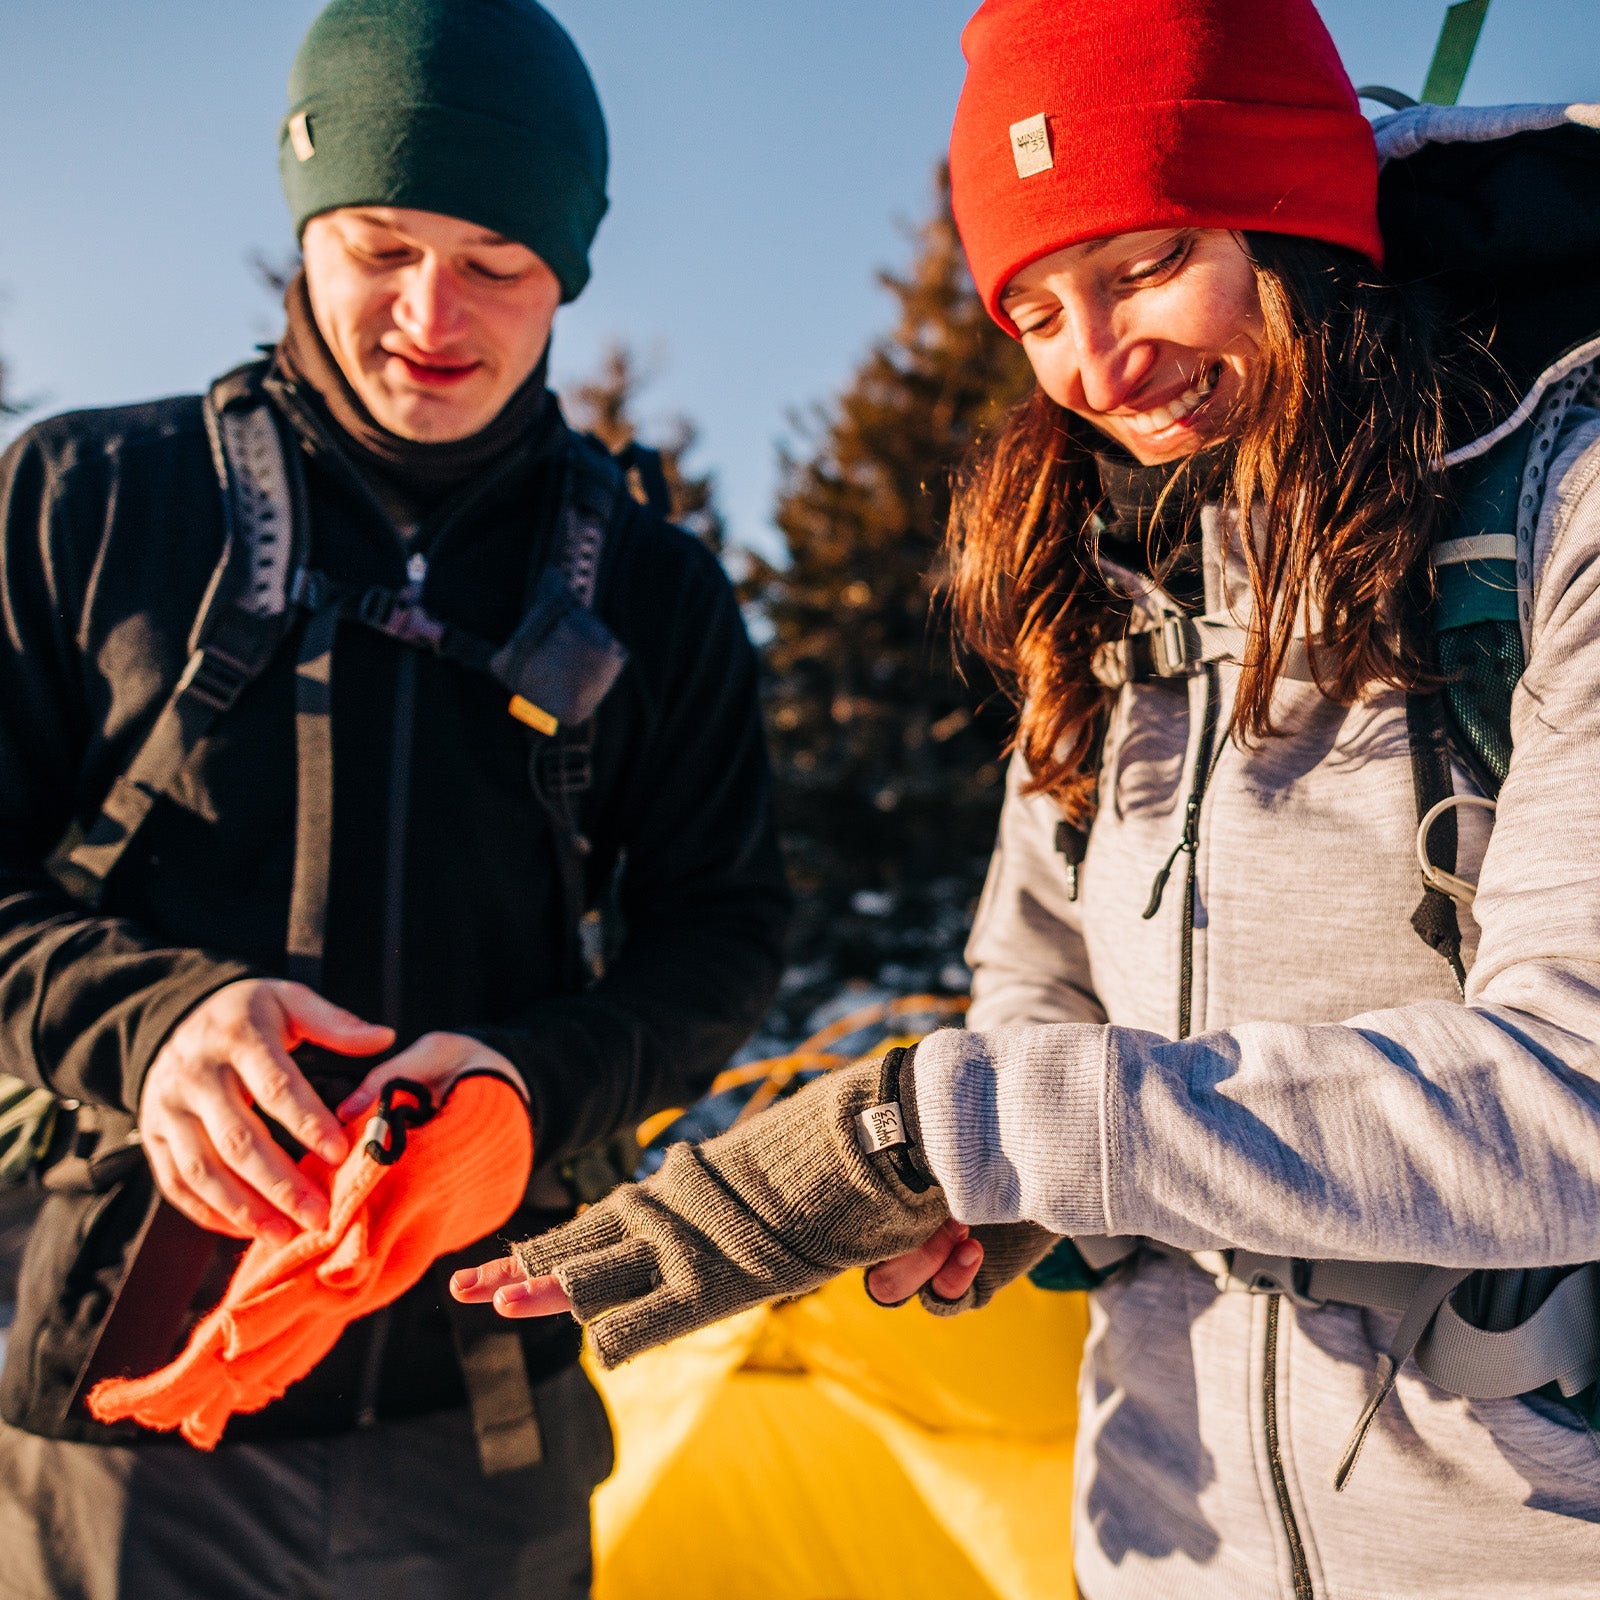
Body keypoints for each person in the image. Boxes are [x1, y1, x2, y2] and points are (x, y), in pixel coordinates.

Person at [455, 0, 1600, 1594]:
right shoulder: (1111, 572)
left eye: (1148, 265)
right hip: (1159, 1538)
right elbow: (1037, 981)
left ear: (1292, 209)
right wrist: (1016, 1193)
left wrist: (971, 1129)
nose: (1100, 368)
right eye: (1038, 310)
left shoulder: (1559, 514)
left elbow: (1572, 1097)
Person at [0, 0, 789, 1594]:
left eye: (497, 261)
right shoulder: (86, 503)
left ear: (570, 270)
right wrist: (154, 1029)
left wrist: (528, 1091)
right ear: (305, 227)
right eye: (381, 247)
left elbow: (721, 936)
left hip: (483, 1413)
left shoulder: (655, 591)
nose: (433, 314)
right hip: (116, 1412)